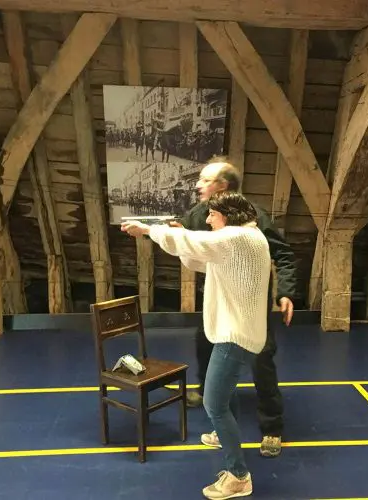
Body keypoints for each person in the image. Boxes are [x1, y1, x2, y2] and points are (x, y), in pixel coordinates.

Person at [121, 191, 271, 499]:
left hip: (234, 334)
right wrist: (178, 237)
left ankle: (239, 476)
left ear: (228, 216)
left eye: (213, 215)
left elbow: (197, 244)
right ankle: (223, 435)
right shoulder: (249, 237)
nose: (208, 220)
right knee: (226, 393)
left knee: (214, 403)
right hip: (240, 331)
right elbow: (199, 256)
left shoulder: (236, 238)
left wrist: (148, 230)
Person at [175, 157, 298, 458]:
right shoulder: (199, 213)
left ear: (223, 186)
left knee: (261, 359)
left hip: (250, 306)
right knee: (205, 344)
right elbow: (187, 238)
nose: (198, 185)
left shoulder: (253, 215)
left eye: (205, 181)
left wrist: (285, 293)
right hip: (218, 302)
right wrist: (175, 232)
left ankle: (272, 427)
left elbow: (283, 254)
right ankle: (210, 395)